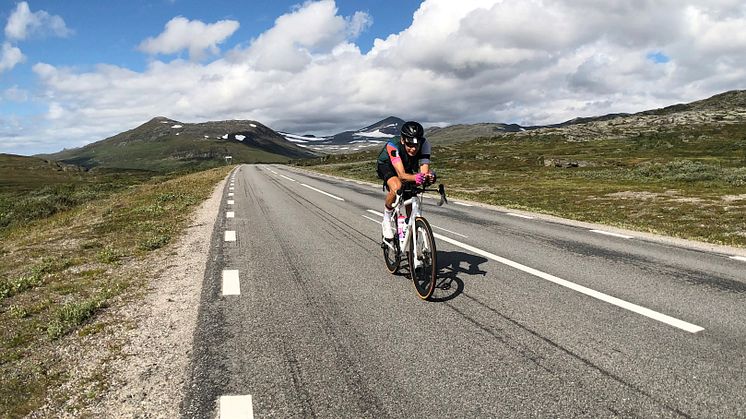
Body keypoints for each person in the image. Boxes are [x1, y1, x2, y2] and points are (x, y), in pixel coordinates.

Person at [376, 120, 435, 239]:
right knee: (397, 186)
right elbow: (401, 175)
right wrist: (415, 177)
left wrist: (428, 177)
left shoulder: (425, 145)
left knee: (411, 195)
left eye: (416, 145)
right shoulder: (393, 145)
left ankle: (410, 235)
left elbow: (423, 171)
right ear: (403, 140)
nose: (413, 149)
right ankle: (386, 219)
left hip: (407, 166)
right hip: (388, 165)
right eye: (410, 145)